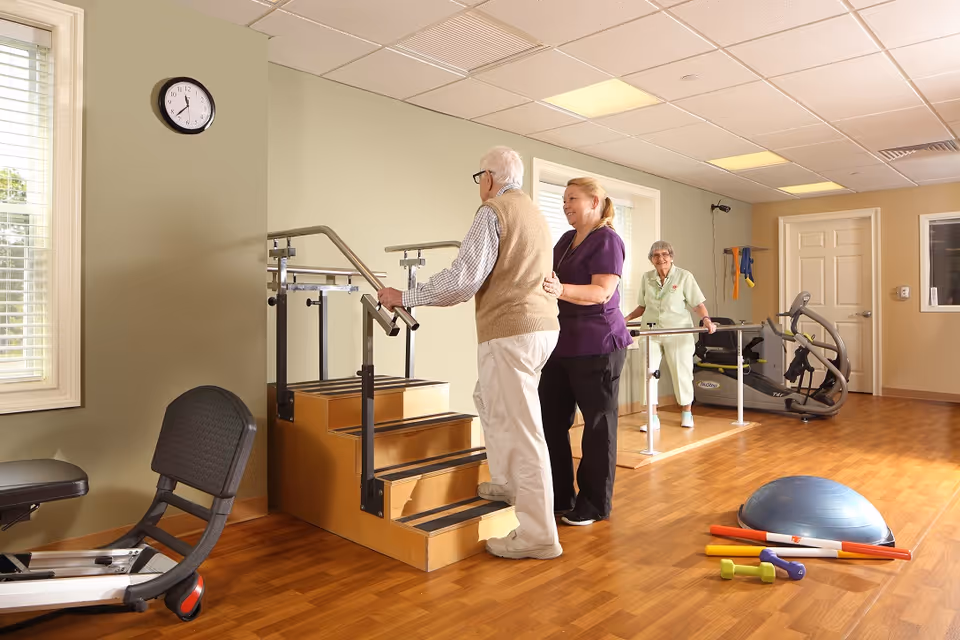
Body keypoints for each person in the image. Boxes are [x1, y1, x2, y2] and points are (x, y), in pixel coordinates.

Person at [378, 146, 562, 560]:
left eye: (480, 176)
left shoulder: (493, 212)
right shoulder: (533, 211)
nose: (480, 184)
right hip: (540, 329)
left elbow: (463, 281)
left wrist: (405, 295)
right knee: (488, 398)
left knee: (525, 430)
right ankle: (507, 482)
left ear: (490, 178)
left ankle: (539, 534)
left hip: (512, 333)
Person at [540, 177, 632, 527]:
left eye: (572, 199)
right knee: (551, 421)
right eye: (563, 200)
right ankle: (560, 495)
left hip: (598, 346)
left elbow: (601, 292)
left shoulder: (608, 240)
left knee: (597, 426)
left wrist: (560, 288)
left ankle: (594, 504)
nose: (566, 205)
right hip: (561, 345)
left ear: (594, 201)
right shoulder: (565, 240)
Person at [624, 241, 716, 430]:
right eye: (656, 256)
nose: (661, 259)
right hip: (651, 330)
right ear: (651, 260)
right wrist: (625, 318)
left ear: (671, 256)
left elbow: (697, 303)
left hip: (678, 332)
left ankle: (687, 413)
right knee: (649, 373)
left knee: (682, 373)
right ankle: (653, 418)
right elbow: (643, 306)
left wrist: (706, 319)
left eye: (664, 254)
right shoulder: (646, 278)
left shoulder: (684, 276)